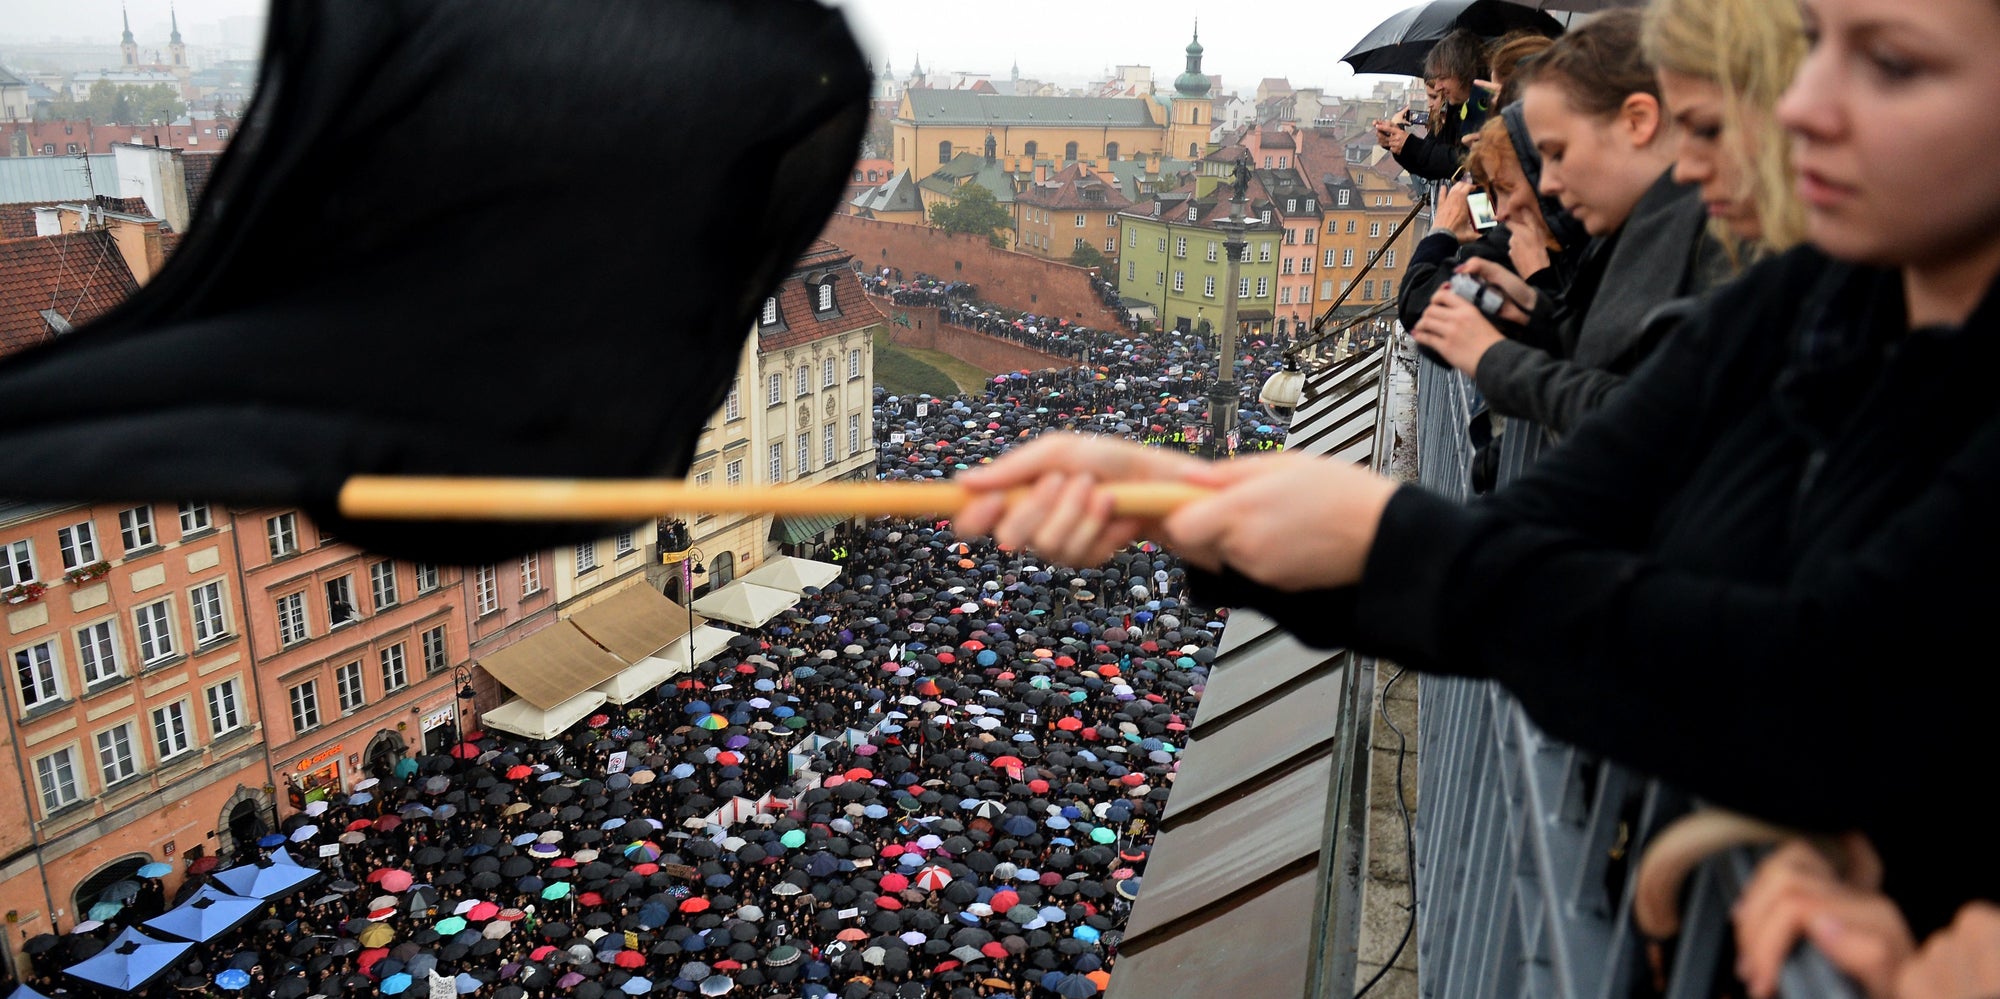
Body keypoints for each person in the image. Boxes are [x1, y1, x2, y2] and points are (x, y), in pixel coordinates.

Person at [954, 0, 2000, 944]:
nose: (1802, 108)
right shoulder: (1808, 299)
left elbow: (1827, 675)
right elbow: (1550, 524)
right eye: (1811, 47)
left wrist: (1387, 530)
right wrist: (1182, 503)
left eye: (1895, 63)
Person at [1412, 10, 1728, 437]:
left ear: (1639, 121)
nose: (1551, 183)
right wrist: (1537, 315)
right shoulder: (1649, 231)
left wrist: (1497, 360)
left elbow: (1648, 426)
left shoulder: (1702, 240)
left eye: (1556, 154)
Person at [1376, 29, 1492, 182]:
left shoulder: (1490, 109)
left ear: (1464, 73)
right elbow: (1432, 164)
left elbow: (1467, 162)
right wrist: (1399, 145)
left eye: (1442, 77)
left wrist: (1409, 145)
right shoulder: (1457, 109)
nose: (1437, 87)